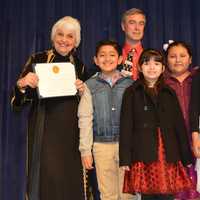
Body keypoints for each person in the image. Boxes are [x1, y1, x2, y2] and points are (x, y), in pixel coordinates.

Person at [11, 16, 87, 200]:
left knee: (71, 181)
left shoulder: (80, 65)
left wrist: (84, 92)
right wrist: (22, 84)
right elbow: (17, 103)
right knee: (46, 180)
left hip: (71, 133)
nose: (64, 39)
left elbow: (86, 107)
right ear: (53, 37)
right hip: (45, 131)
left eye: (70, 36)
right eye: (60, 34)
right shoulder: (37, 59)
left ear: (75, 42)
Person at [119, 49, 194, 200]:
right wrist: (125, 158)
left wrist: (186, 157)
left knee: (167, 195)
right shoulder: (132, 92)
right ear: (140, 67)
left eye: (156, 63)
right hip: (144, 152)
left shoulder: (169, 92)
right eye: (147, 63)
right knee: (148, 195)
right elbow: (126, 127)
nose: (152, 67)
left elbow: (179, 125)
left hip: (167, 152)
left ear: (163, 68)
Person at [78, 40, 136, 200]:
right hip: (101, 147)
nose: (107, 58)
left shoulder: (130, 84)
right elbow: (85, 118)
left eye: (112, 55)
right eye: (102, 55)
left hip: (128, 146)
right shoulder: (89, 86)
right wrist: (85, 150)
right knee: (107, 195)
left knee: (128, 195)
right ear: (95, 60)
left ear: (119, 59)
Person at [164, 41, 200, 199]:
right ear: (166, 60)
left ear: (190, 59)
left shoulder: (197, 80)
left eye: (182, 56)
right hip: (172, 145)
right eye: (172, 56)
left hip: (196, 140)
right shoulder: (161, 83)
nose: (178, 60)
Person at [121, 8, 146, 80]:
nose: (137, 28)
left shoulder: (153, 55)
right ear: (123, 26)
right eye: (132, 23)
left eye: (141, 23)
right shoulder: (113, 55)